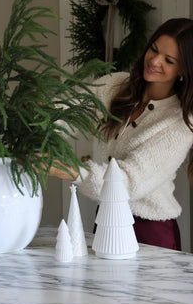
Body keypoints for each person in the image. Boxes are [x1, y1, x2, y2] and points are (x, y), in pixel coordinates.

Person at [50, 18, 193, 250]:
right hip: (106, 218)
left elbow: (127, 183)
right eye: (154, 49)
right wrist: (37, 128)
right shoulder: (114, 84)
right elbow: (70, 112)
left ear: (183, 71)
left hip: (151, 232)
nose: (155, 61)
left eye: (169, 60)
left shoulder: (180, 124)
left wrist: (66, 168)